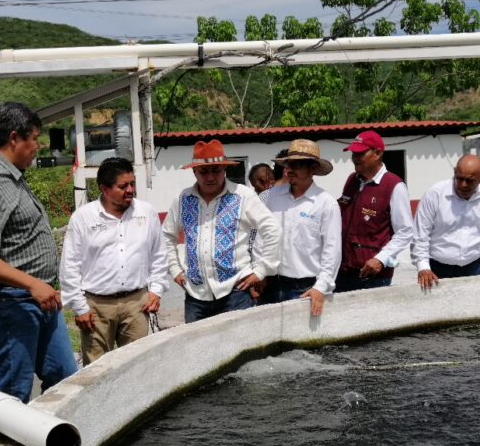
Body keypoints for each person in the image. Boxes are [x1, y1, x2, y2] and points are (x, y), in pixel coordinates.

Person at [0, 101, 77, 403]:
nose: (38, 146)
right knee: (13, 392)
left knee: (64, 378)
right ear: (14, 138)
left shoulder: (10, 176)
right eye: (34, 138)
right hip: (9, 300)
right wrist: (32, 284)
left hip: (37, 297)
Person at [60, 158, 168, 365]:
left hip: (137, 303)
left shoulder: (146, 213)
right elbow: (69, 265)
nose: (130, 190)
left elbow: (159, 255)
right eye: (123, 186)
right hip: (96, 307)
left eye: (132, 184)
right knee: (96, 369)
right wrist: (80, 307)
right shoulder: (83, 217)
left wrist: (155, 290)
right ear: (104, 188)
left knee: (138, 365)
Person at [162, 139, 280, 323]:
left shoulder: (242, 196)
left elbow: (272, 229)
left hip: (236, 291)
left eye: (216, 170)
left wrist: (262, 270)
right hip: (196, 295)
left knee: (240, 347)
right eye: (204, 171)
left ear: (224, 170)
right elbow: (167, 236)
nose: (210, 177)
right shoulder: (183, 199)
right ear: (194, 172)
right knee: (198, 347)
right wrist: (174, 268)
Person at [411, 154, 480, 290]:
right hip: (437, 268)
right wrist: (423, 267)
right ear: (454, 172)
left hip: (475, 266)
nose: (463, 185)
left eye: (469, 181)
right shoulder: (434, 194)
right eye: (459, 178)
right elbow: (420, 235)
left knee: (479, 309)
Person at [262, 139, 341, 316]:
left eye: (298, 165)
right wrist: (260, 273)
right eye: (289, 164)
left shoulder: (325, 203)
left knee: (301, 343)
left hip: (305, 288)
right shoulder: (272, 196)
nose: (290, 169)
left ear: (312, 168)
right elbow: (262, 236)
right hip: (270, 285)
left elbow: (332, 250)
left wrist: (320, 288)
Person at [335, 130, 413, 292]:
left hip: (373, 276)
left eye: (360, 154)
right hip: (343, 272)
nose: (354, 158)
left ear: (377, 153)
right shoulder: (352, 180)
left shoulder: (394, 186)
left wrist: (380, 259)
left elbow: (405, 231)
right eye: (353, 154)